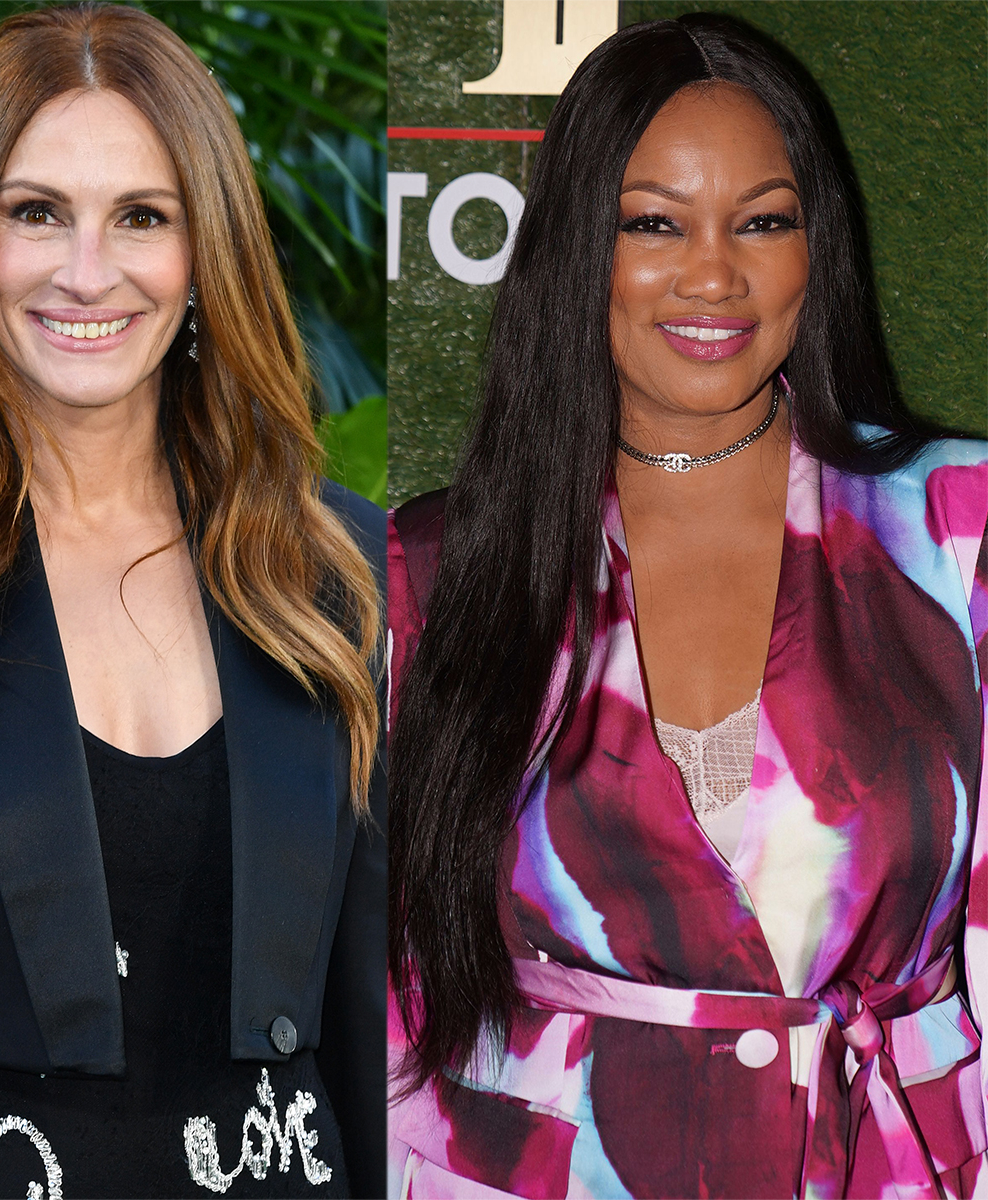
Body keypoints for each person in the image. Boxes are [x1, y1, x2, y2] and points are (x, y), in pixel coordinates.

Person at [0, 6, 386, 1199]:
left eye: (143, 217)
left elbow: (384, 1033)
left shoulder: (336, 572)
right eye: (36, 212)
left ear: (205, 252)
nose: (87, 271)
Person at [387, 13, 986, 1199]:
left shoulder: (956, 528)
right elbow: (395, 1001)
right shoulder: (432, 571)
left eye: (763, 221)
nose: (714, 275)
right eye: (654, 223)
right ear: (577, 248)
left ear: (817, 249)